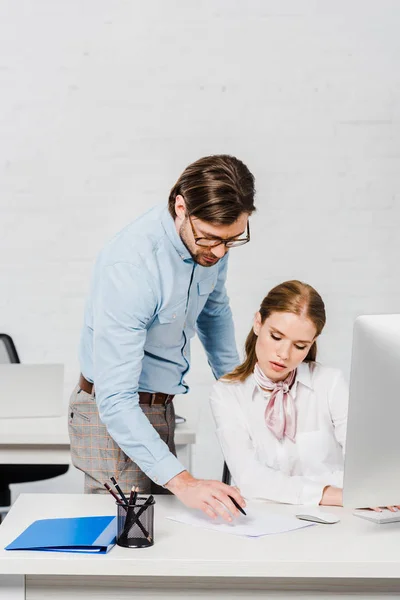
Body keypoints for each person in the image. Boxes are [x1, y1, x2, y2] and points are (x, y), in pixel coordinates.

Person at [68, 154, 254, 521]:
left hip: (159, 407)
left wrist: (237, 391)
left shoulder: (214, 244)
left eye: (231, 241)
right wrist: (184, 482)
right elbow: (116, 400)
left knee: (162, 539)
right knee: (123, 547)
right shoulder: (132, 266)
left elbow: (214, 312)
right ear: (181, 207)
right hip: (113, 416)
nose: (218, 252)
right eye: (210, 239)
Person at [211, 281, 400, 511]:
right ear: (258, 323)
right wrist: (334, 494)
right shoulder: (227, 393)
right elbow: (251, 480)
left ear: (311, 344)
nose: (284, 354)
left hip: (334, 521)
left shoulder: (329, 383)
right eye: (276, 336)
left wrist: (371, 490)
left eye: (300, 346)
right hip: (263, 522)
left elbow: (364, 467)